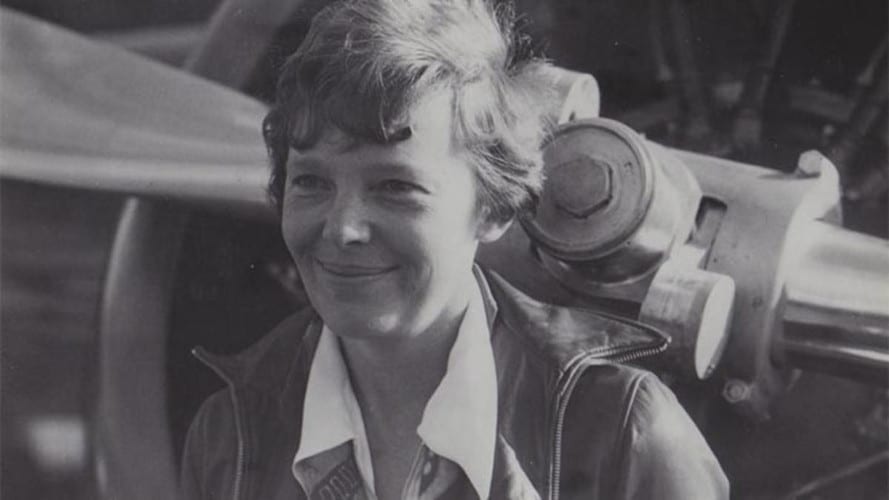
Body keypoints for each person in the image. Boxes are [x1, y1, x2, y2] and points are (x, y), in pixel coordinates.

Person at [180, 0, 729, 498]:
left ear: (495, 209)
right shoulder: (228, 433)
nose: (344, 228)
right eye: (311, 183)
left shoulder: (624, 431)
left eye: (396, 187)